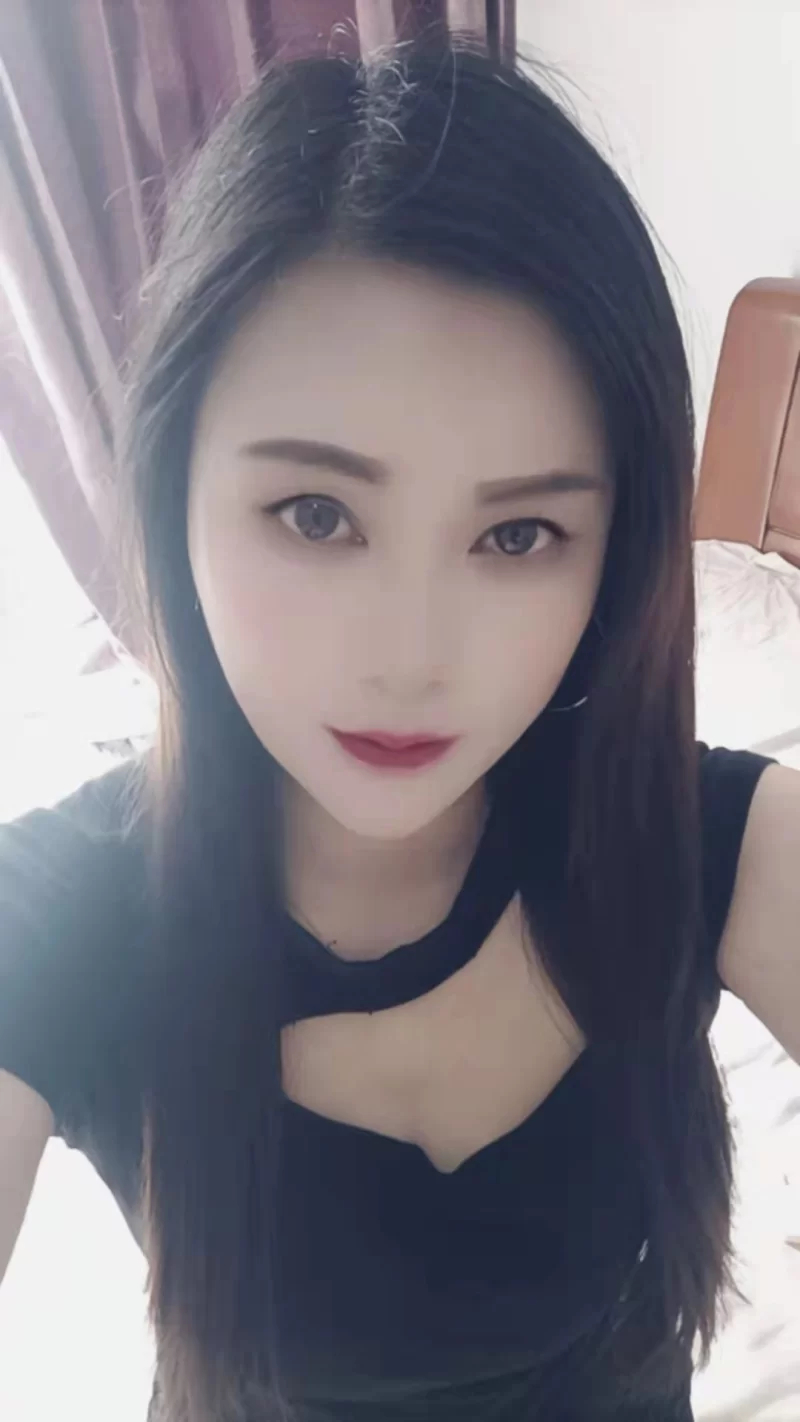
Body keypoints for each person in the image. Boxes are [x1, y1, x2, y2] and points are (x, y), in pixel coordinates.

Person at [0, 34, 798, 1422]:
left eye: (518, 533)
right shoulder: (64, 912)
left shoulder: (707, 842)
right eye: (316, 514)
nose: (411, 659)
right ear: (175, 495)